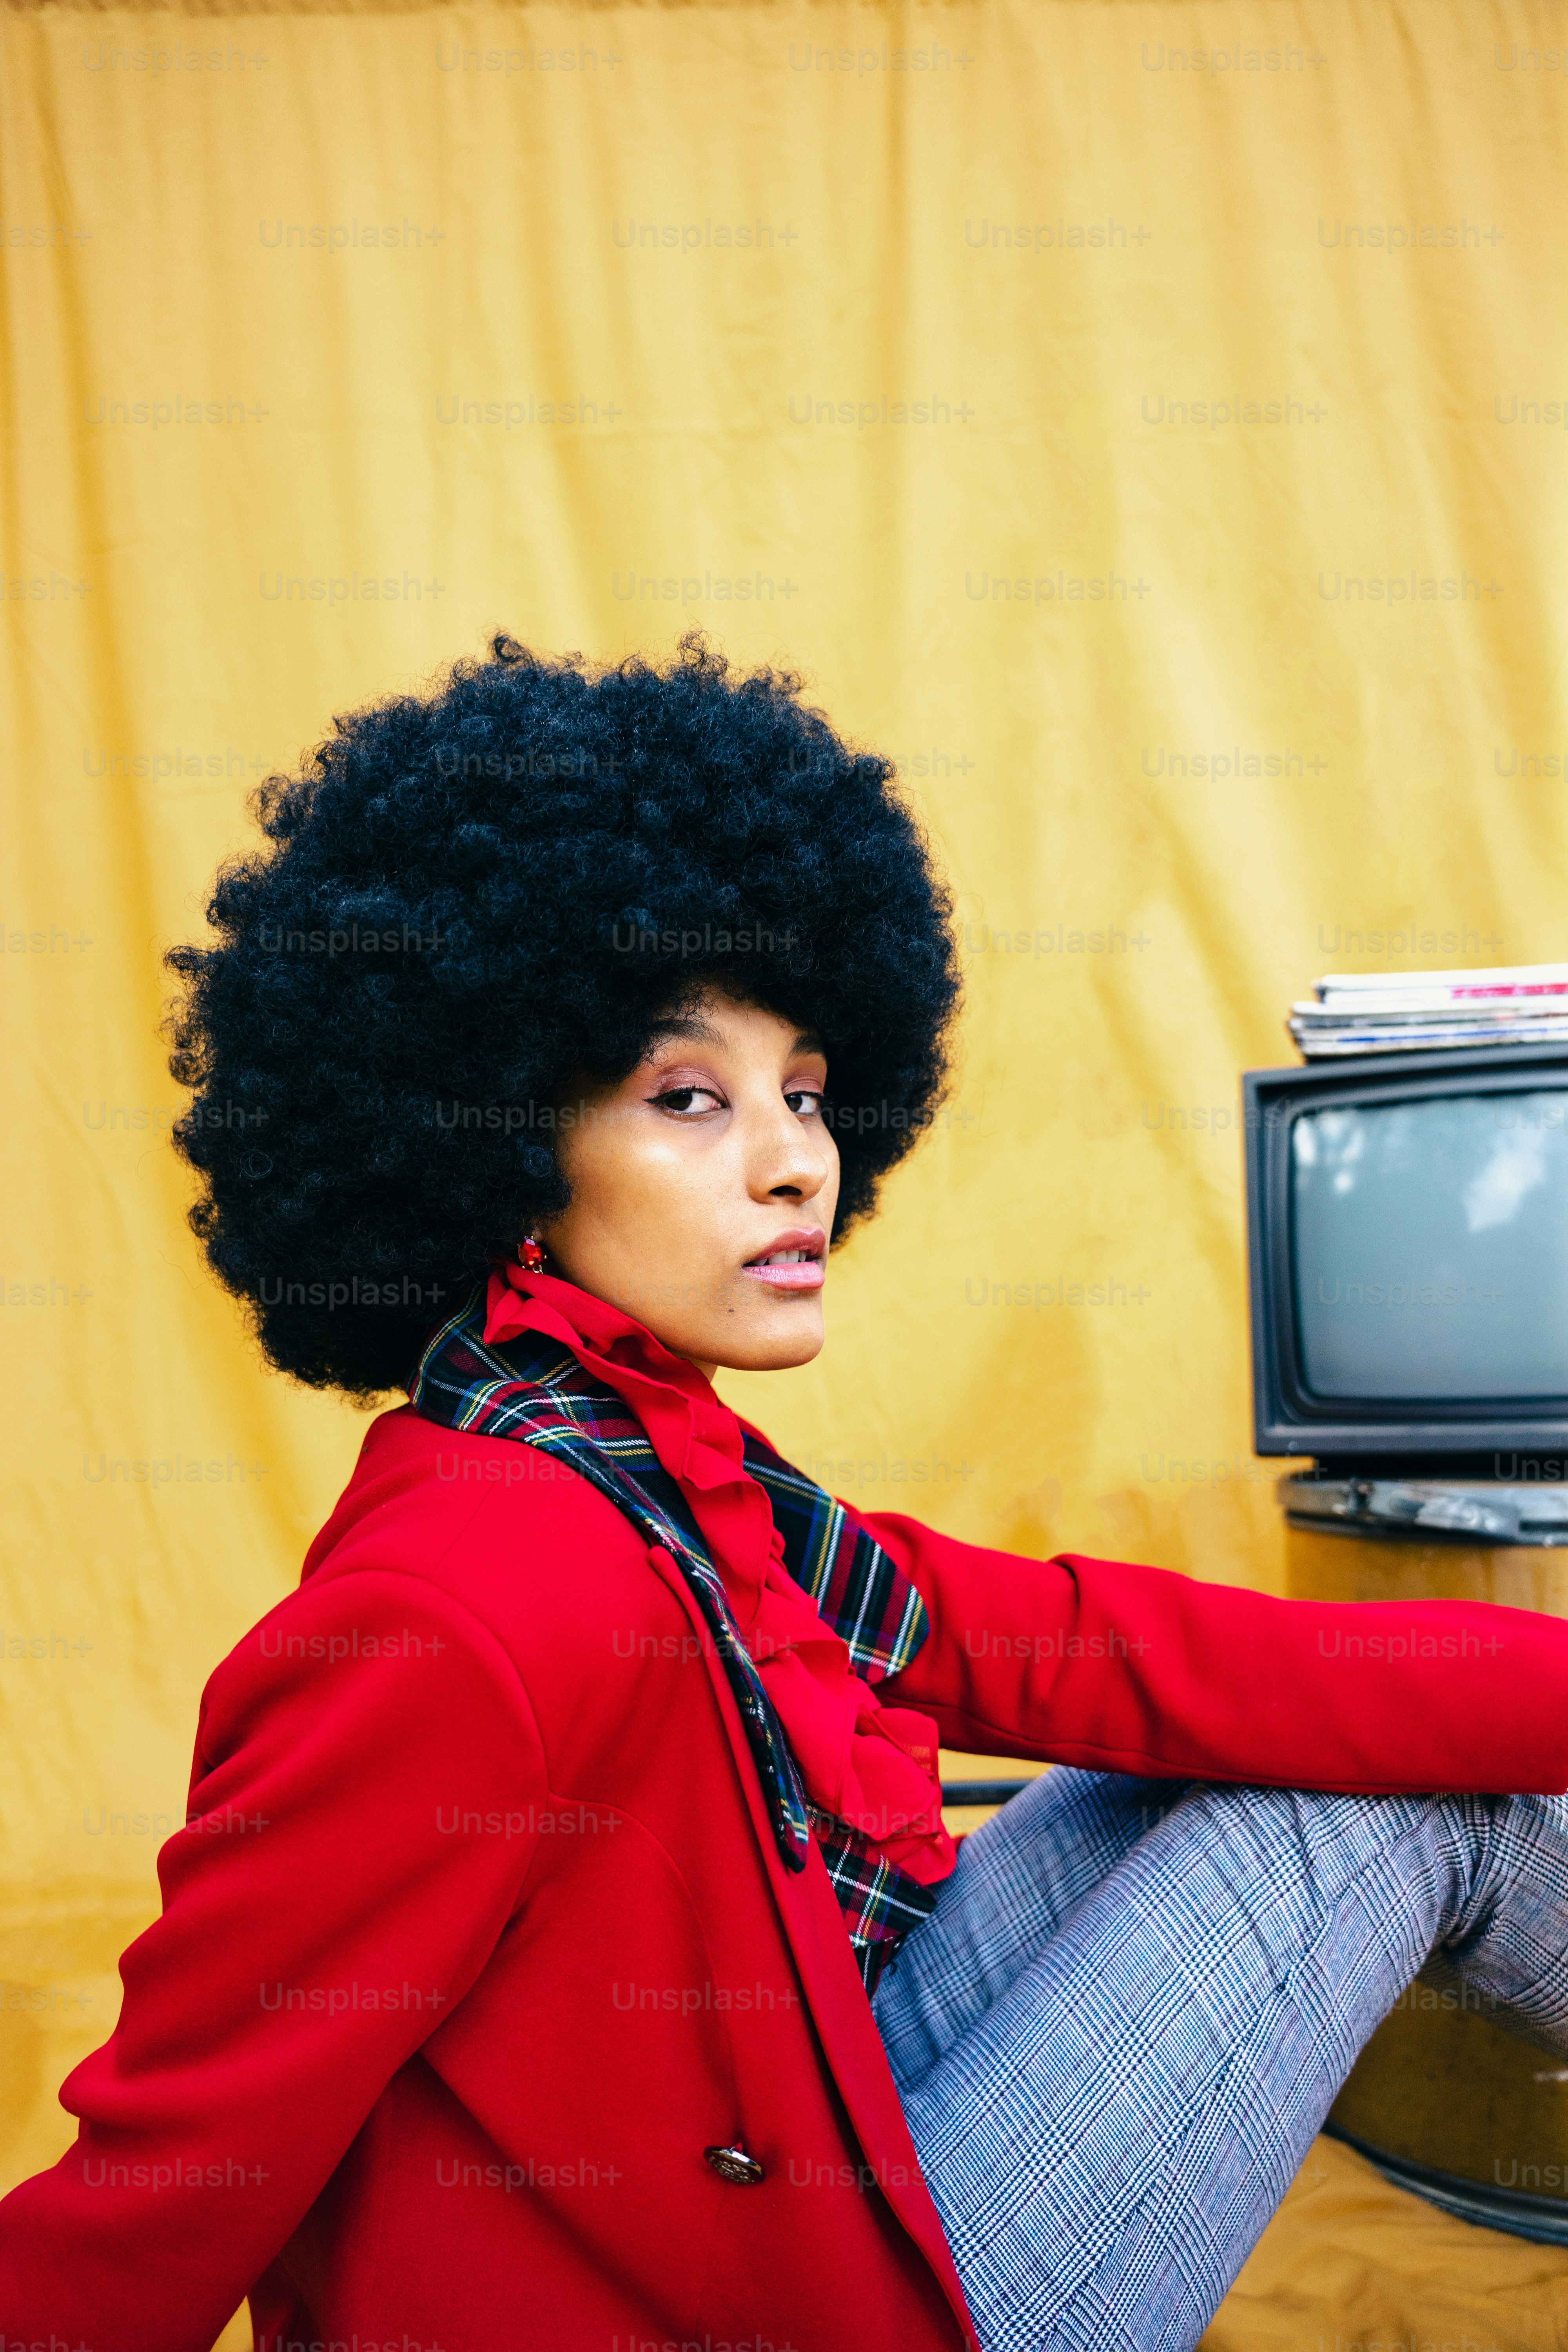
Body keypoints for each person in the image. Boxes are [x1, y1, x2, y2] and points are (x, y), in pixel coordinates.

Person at [4, 631, 1568, 2352]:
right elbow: (168, 2178)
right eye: (689, 1097)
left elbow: (1085, 1647)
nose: (794, 1158)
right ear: (500, 1149)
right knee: (1391, 1810)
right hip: (794, 2309)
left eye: (806, 1092)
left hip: (809, 2157)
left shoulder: (651, 1473)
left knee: (1212, 1755)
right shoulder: (463, 1601)